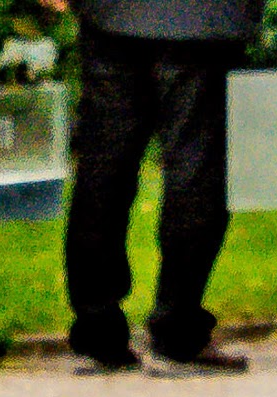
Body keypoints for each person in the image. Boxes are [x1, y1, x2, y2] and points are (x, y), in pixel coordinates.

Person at [60, 0, 250, 376]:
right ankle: (177, 334)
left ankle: (98, 332)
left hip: (113, 13)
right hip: (200, 20)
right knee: (195, 163)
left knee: (104, 162)